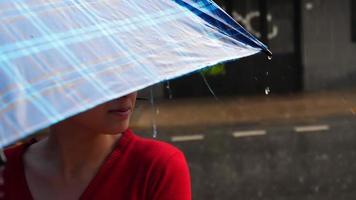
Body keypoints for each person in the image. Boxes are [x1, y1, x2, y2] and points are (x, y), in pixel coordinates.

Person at [1, 92, 191, 200]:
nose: (126, 92)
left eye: (130, 70)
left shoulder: (156, 167)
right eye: (104, 75)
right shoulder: (4, 169)